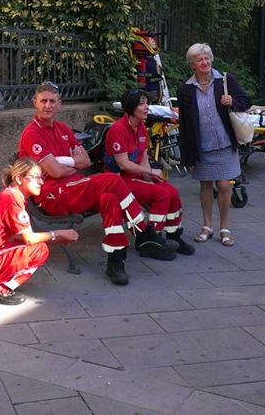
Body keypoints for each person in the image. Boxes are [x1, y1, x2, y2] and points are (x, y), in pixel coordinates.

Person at [18, 82, 177, 286]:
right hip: (51, 195)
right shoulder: (33, 133)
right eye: (43, 101)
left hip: (75, 187)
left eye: (52, 101)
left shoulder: (63, 129)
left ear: (59, 104)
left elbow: (86, 161)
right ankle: (144, 233)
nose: (47, 105)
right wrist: (71, 164)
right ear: (35, 103)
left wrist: (66, 163)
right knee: (111, 179)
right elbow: (55, 172)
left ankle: (116, 261)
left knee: (109, 198)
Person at [0, 158, 79, 305]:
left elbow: (18, 236)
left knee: (31, 244)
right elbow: (29, 239)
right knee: (40, 250)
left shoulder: (9, 195)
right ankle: (0, 289)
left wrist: (52, 237)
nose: (41, 182)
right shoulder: (12, 200)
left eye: (42, 177)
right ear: (19, 179)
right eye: (35, 177)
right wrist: (57, 234)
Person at [176, 43, 252, 247]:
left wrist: (232, 101)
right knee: (206, 185)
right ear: (192, 64)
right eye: (200, 59)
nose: (205, 62)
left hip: (225, 142)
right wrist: (187, 155)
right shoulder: (186, 89)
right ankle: (207, 225)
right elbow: (184, 125)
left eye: (207, 58)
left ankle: (225, 227)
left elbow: (246, 101)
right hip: (202, 145)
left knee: (224, 184)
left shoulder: (225, 81)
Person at [103, 89, 193, 255]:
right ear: (131, 108)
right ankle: (150, 240)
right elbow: (123, 165)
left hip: (135, 176)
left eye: (146, 103)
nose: (146, 107)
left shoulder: (142, 128)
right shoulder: (117, 129)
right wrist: (150, 171)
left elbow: (143, 156)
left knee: (171, 192)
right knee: (161, 194)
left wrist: (148, 177)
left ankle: (173, 235)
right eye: (141, 104)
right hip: (119, 181)